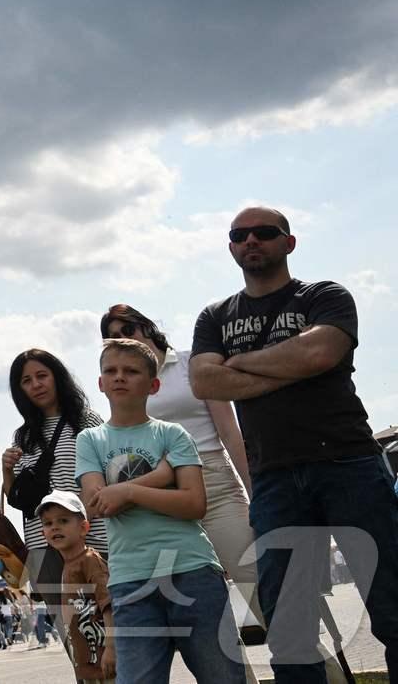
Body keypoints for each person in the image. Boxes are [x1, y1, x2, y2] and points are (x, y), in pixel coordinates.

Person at [190, 206, 398, 683]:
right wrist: (291, 367)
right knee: (289, 627)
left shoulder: (324, 295)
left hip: (348, 462)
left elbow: (321, 351)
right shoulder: (216, 316)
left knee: (391, 602)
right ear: (230, 248)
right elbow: (204, 380)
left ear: (289, 242)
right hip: (275, 478)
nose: (251, 241)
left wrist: (238, 364)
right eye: (239, 235)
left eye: (264, 232)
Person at [77, 338, 245, 683]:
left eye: (131, 371)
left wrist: (128, 489)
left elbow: (193, 505)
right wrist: (162, 477)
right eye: (111, 371)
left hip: (192, 569)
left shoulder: (173, 434)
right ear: (100, 383)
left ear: (153, 385)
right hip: (130, 581)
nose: (120, 377)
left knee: (223, 677)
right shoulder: (90, 440)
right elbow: (97, 504)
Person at [101, 304, 265, 638]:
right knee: (208, 616)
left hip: (215, 483)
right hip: (164, 499)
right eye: (112, 338)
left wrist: (255, 491)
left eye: (127, 330)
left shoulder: (192, 362)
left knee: (262, 588)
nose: (122, 340)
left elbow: (230, 433)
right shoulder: (125, 383)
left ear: (146, 327)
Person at [0, 349, 109, 643]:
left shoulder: (86, 421)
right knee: (74, 636)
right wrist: (7, 471)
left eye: (42, 375)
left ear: (57, 377)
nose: (36, 384)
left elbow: (102, 477)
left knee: (107, 627)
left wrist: (83, 527)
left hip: (90, 538)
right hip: (42, 544)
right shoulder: (24, 436)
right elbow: (19, 499)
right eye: (26, 380)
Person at [36, 489, 114, 681]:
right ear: (43, 533)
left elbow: (109, 605)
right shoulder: (68, 565)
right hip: (89, 667)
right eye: (48, 523)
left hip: (107, 664)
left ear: (83, 528)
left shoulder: (89, 561)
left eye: (63, 521)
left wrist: (112, 648)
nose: (55, 527)